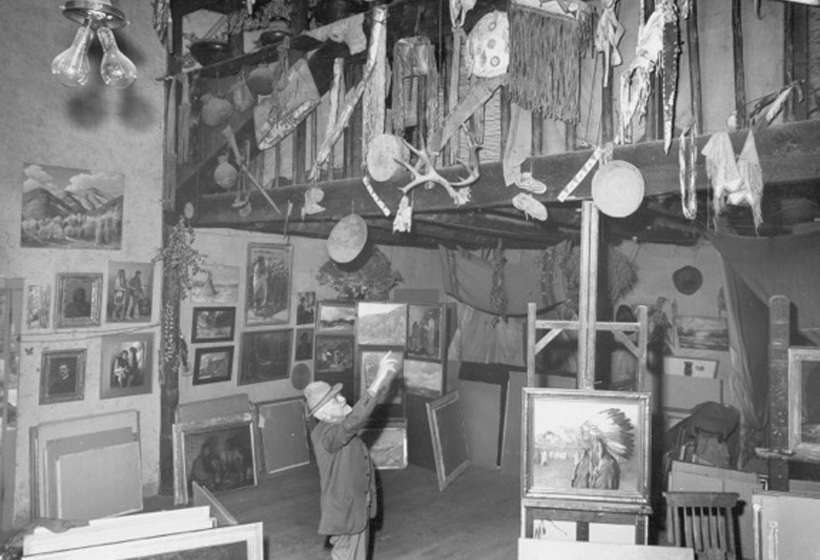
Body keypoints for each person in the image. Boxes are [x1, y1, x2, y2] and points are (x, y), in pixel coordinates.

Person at [304, 352, 398, 560]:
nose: (343, 398)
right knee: (353, 555)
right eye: (335, 399)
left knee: (344, 553)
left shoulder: (329, 427)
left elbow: (352, 420)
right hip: (348, 509)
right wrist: (379, 379)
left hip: (344, 507)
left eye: (337, 394)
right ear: (323, 414)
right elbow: (354, 421)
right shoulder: (328, 434)